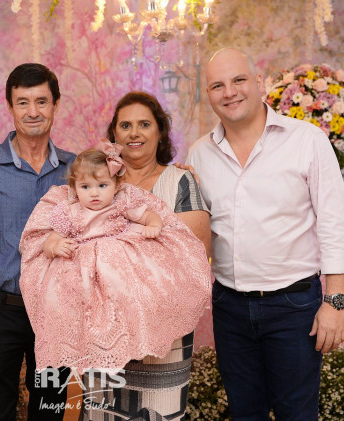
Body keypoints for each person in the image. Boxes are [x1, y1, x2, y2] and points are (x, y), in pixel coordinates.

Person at [186, 48, 344, 420]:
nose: (229, 92)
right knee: (244, 413)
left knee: (297, 414)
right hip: (229, 306)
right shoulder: (199, 154)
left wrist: (336, 300)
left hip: (294, 307)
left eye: (239, 80)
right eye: (218, 85)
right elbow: (195, 233)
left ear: (259, 82)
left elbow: (335, 221)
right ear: (208, 94)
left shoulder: (306, 140)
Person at [19, 140, 211, 374]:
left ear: (117, 185)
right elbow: (49, 242)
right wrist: (56, 246)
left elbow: (149, 215)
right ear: (74, 187)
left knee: (133, 287)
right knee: (68, 295)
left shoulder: (121, 203)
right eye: (85, 187)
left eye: (102, 185)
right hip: (85, 266)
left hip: (118, 259)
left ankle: (133, 334)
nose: (94, 193)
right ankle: (93, 344)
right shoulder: (69, 211)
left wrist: (154, 226)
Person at [78, 91, 211, 421]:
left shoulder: (179, 181)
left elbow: (194, 255)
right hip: (103, 335)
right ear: (114, 134)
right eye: (125, 125)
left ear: (160, 132)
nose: (134, 133)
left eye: (144, 124)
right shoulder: (97, 183)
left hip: (163, 337)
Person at [0, 63, 76, 420]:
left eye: (41, 101)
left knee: (50, 410)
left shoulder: (76, 170)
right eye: (23, 102)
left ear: (56, 104)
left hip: (57, 312)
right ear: (10, 106)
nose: (33, 111)